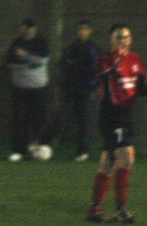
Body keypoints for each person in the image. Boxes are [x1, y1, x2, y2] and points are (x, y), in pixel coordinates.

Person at [85, 23, 147, 223]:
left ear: (131, 39)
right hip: (111, 114)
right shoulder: (105, 59)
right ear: (111, 39)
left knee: (108, 162)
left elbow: (142, 82)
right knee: (127, 157)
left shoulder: (135, 60)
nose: (123, 40)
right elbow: (100, 74)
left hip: (126, 115)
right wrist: (114, 64)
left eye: (126, 36)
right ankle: (121, 209)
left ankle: (95, 209)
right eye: (119, 37)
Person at [37, 20, 101, 162]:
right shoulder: (71, 49)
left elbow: (98, 70)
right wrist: (64, 84)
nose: (82, 31)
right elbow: (62, 68)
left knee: (84, 120)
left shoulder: (94, 49)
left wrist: (92, 86)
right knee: (60, 115)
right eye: (80, 29)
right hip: (70, 90)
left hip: (86, 91)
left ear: (90, 31)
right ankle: (44, 143)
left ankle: (82, 150)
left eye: (85, 29)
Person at [5, 18, 50, 161]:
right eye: (25, 27)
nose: (27, 30)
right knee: (20, 119)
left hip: (38, 87)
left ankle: (37, 149)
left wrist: (24, 56)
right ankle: (19, 150)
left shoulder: (41, 43)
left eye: (30, 27)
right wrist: (25, 65)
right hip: (20, 87)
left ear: (34, 29)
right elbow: (9, 62)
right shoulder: (16, 43)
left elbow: (42, 61)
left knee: (38, 119)